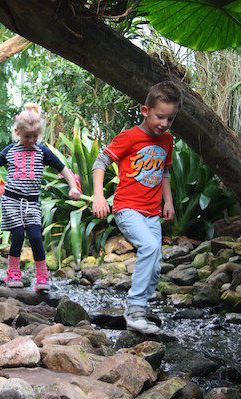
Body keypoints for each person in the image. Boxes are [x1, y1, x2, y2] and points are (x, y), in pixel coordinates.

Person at [91, 81, 182, 334]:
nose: (164, 123)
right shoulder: (130, 137)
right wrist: (99, 196)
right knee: (150, 247)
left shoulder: (167, 141)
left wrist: (169, 202)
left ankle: (137, 309)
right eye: (159, 116)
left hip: (152, 212)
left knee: (155, 263)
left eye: (170, 119)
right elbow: (101, 161)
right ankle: (135, 310)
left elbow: (164, 172)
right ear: (145, 110)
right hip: (127, 208)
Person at [0, 103, 81, 292]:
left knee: (35, 236)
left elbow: (63, 168)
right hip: (11, 200)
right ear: (17, 132)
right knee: (17, 235)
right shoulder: (10, 151)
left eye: (34, 136)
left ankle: (42, 277)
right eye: (27, 136)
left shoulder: (42, 152)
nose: (31, 140)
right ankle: (13, 274)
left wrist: (73, 186)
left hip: (31, 202)